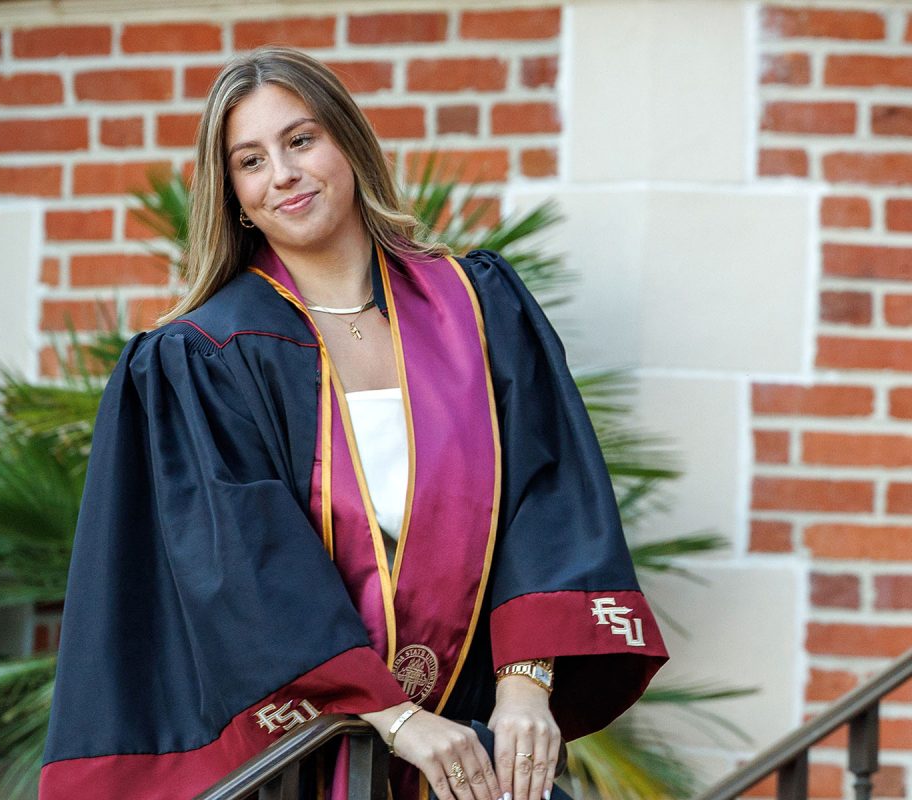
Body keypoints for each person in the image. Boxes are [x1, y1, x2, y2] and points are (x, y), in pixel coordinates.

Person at [40, 47, 667, 800]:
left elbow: (547, 491)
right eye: (251, 160)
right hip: (310, 753)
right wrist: (392, 715)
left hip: (476, 747)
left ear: (348, 144)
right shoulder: (207, 358)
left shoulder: (477, 308)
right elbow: (245, 567)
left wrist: (526, 688)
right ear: (236, 196)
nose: (284, 174)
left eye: (301, 140)